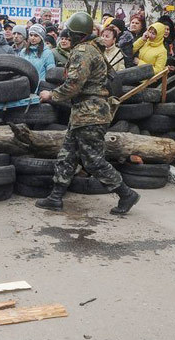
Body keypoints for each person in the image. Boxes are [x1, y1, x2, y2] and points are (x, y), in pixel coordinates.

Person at [36, 12, 140, 215]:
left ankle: (126, 193)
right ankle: (55, 197)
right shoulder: (94, 49)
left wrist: (51, 95)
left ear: (76, 34)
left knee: (93, 160)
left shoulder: (83, 51)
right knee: (67, 155)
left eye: (70, 33)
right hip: (84, 113)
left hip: (90, 114)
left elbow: (73, 85)